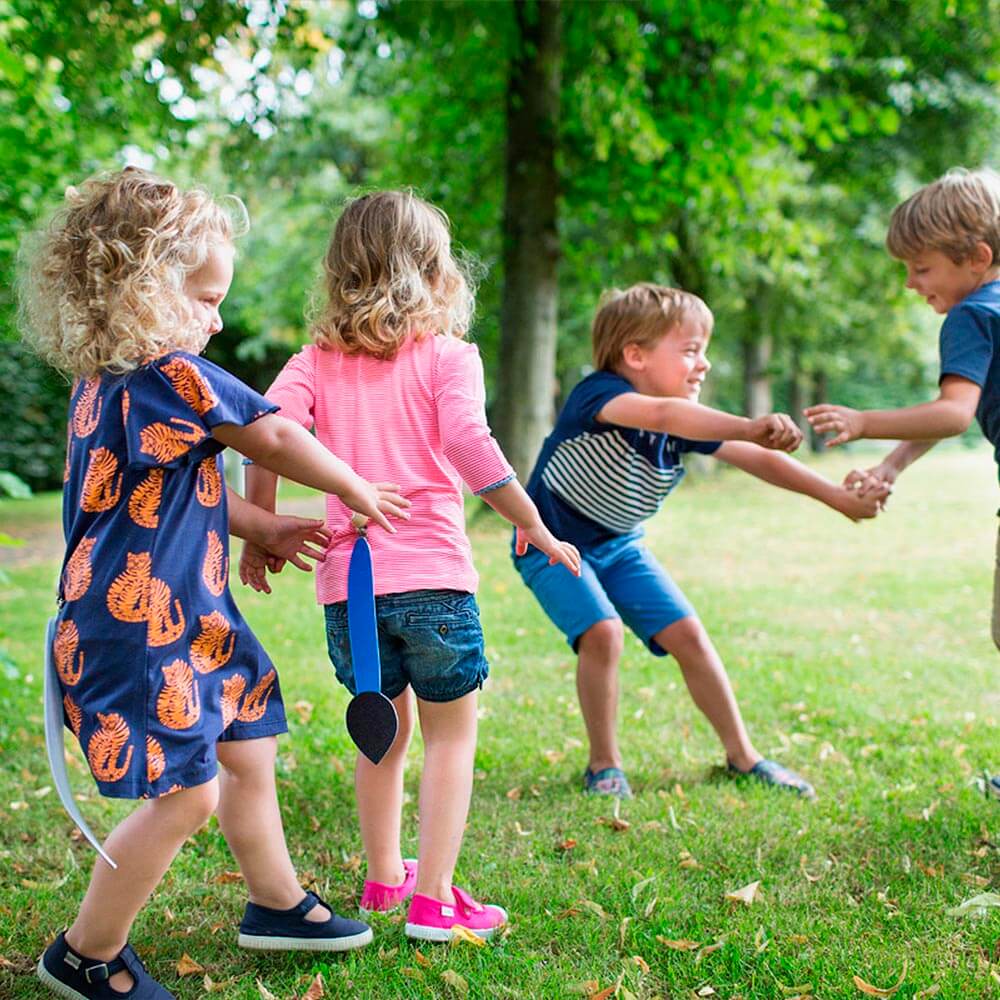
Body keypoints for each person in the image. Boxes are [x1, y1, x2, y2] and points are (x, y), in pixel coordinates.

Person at [20, 168, 410, 1000]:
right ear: (140, 291)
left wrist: (263, 527)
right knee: (186, 798)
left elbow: (173, 483)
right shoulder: (170, 375)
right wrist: (349, 484)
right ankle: (87, 952)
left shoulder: (105, 388)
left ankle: (273, 903)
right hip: (137, 628)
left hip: (181, 614)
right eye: (203, 297)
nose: (217, 317)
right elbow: (269, 432)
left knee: (247, 738)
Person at [240, 190, 580, 941]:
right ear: (435, 270)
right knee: (450, 738)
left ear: (337, 273)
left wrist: (259, 530)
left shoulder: (313, 364)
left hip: (351, 591)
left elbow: (264, 433)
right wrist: (533, 522)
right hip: (433, 579)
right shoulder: (449, 357)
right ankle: (434, 899)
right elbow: (466, 441)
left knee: (379, 736)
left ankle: (384, 879)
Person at [513, 283, 884, 799]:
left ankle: (743, 756)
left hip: (620, 546)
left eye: (704, 351)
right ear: (634, 355)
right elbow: (666, 417)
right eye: (690, 350)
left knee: (689, 634)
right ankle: (604, 765)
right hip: (549, 544)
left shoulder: (681, 420)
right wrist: (752, 425)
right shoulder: (598, 395)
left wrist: (835, 497)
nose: (704, 364)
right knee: (603, 632)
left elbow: (758, 458)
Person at [804, 166, 1000, 801]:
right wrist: (891, 466)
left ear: (977, 257)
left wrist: (862, 422)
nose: (913, 284)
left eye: (921, 268)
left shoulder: (972, 315)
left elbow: (953, 412)